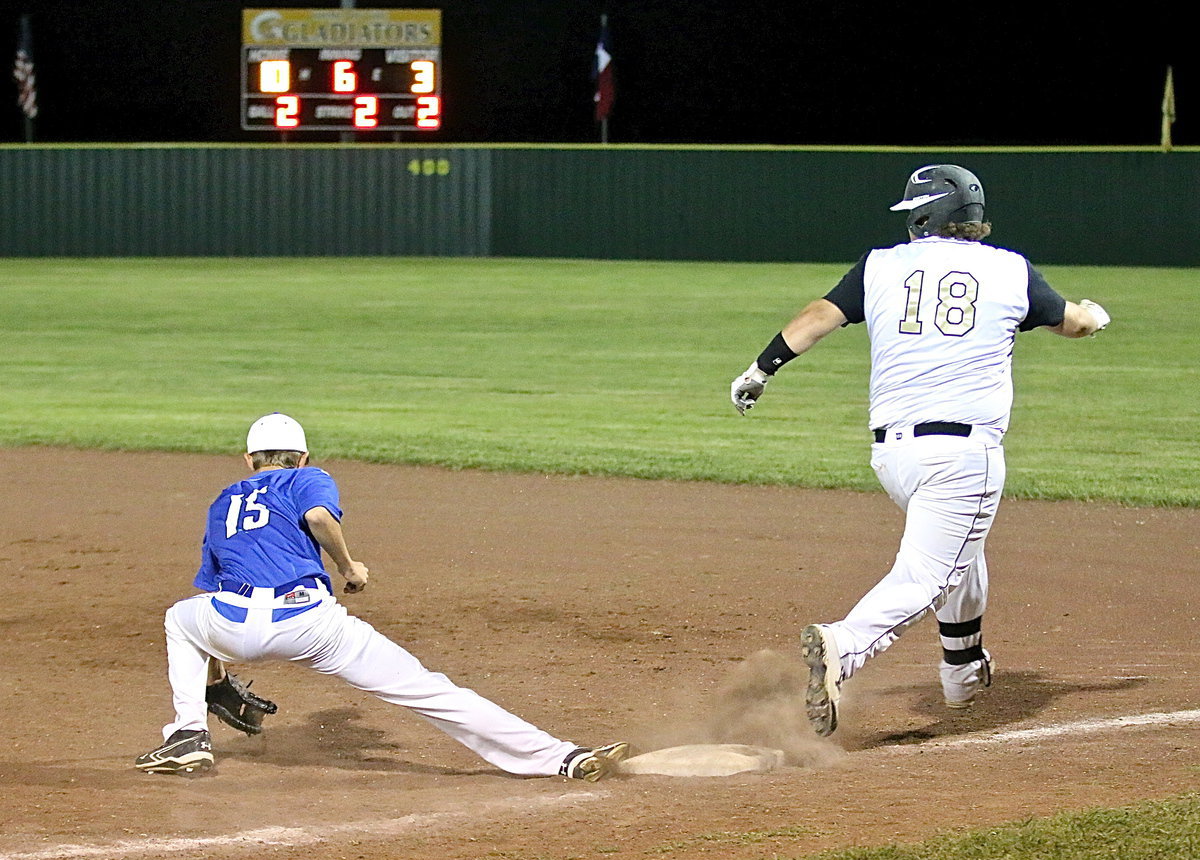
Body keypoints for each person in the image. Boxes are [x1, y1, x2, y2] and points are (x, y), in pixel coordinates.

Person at [730, 164, 1110, 737]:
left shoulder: (880, 265)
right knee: (930, 573)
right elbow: (1073, 324)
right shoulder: (1009, 269)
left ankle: (961, 670)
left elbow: (816, 319)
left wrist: (761, 369)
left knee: (962, 552)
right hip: (962, 456)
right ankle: (845, 646)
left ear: (926, 214)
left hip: (893, 457)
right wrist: (1096, 316)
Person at [136, 412, 628, 779]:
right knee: (428, 690)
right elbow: (319, 518)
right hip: (310, 626)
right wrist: (350, 569)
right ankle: (559, 758)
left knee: (182, 620)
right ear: (302, 457)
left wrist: (217, 666)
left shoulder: (225, 498)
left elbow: (214, 583)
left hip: (233, 621)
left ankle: (188, 732)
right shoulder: (308, 477)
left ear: (248, 461)